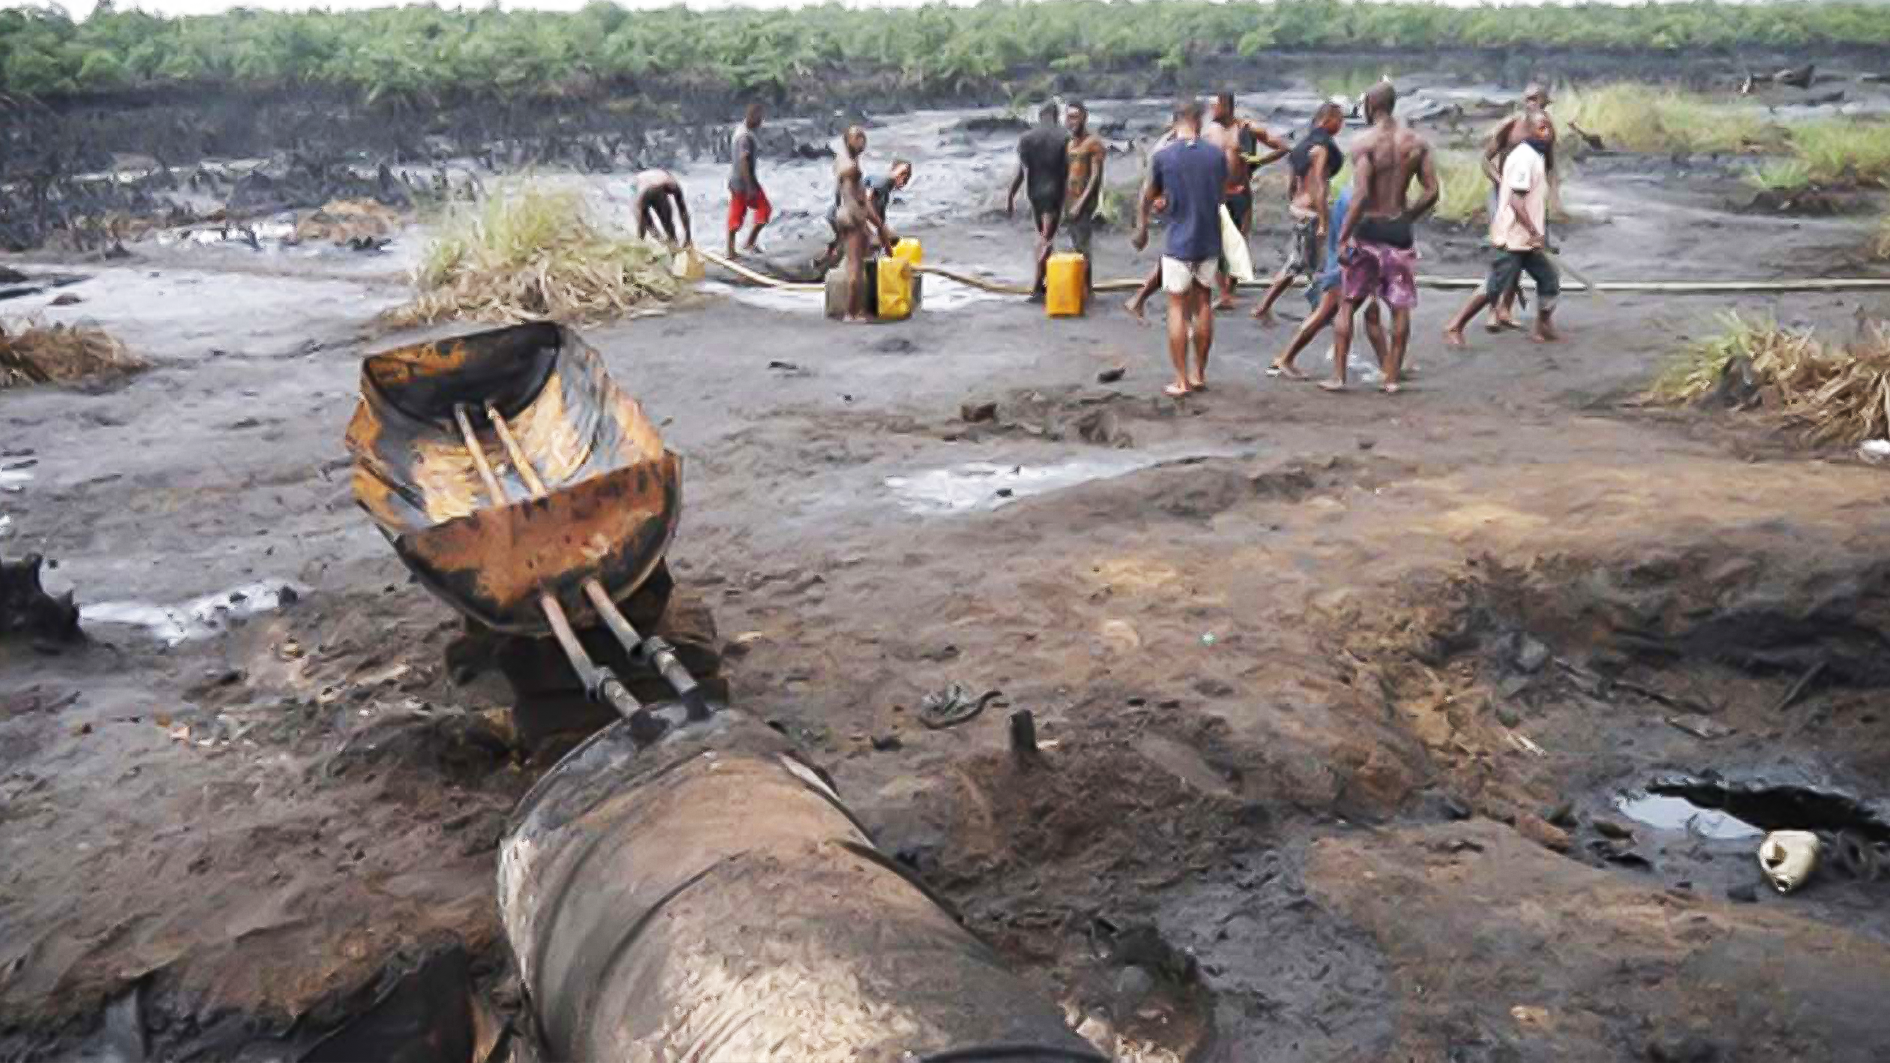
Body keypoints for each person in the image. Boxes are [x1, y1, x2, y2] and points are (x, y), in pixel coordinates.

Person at [1330, 81, 1438, 394]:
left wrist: (1344, 234)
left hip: (1369, 227)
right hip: (1398, 228)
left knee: (1348, 303)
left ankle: (1338, 377)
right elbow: (1432, 191)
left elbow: (1362, 193)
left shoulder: (1364, 142)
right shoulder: (1416, 142)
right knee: (1399, 306)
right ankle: (1391, 379)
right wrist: (1407, 217)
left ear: (1371, 106)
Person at [1445, 109, 1560, 347]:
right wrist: (1535, 232)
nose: (1547, 132)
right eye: (1541, 128)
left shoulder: (1535, 156)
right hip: (1513, 237)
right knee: (1495, 285)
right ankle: (1455, 325)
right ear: (1528, 130)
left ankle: (1543, 327)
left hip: (1525, 239)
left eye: (1548, 127)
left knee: (1549, 279)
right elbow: (1516, 201)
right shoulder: (1523, 158)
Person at [1140, 98, 1226, 397]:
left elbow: (1151, 196)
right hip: (1209, 239)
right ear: (1198, 121)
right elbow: (1218, 195)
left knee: (1176, 307)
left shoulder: (1164, 157)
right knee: (1203, 302)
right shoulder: (1216, 156)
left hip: (1179, 240)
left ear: (1175, 121)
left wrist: (1146, 222)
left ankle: (1180, 379)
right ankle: (1199, 373)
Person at [1267, 186, 1390, 380]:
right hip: (1348, 265)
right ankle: (1287, 358)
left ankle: (1388, 367)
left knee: (1363, 312)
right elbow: (1354, 235)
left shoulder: (1354, 192)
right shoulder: (1358, 197)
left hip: (1348, 262)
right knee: (1329, 313)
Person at [1252, 101, 1346, 326]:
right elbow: (1320, 186)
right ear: (1327, 119)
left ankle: (1266, 306)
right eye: (1339, 119)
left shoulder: (1302, 147)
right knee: (1314, 266)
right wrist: (1323, 220)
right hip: (1312, 212)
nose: (1341, 125)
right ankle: (1319, 313)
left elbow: (1291, 183)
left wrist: (1294, 204)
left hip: (1301, 209)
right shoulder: (1321, 148)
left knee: (1301, 263)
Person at [1480, 84, 1557, 330]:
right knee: (1505, 251)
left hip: (1527, 196)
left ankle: (1506, 308)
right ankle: (1491, 311)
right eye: (1527, 99)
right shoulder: (1511, 125)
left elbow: (1549, 165)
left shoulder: (1545, 129)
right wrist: (1501, 183)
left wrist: (1547, 199)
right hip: (1503, 194)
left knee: (1524, 251)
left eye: (1535, 99)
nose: (1530, 103)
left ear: (1545, 102)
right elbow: (1486, 159)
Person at [1205, 92, 1290, 310]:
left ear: (1226, 106)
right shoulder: (1209, 132)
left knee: (1237, 244)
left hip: (1240, 194)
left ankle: (1229, 291)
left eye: (1214, 105)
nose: (1210, 109)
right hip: (1215, 194)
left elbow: (1282, 147)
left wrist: (1258, 160)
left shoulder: (1247, 128)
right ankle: (1223, 293)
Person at [832, 126, 898, 324]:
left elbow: (861, 198)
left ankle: (856, 310)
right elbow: (847, 179)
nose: (862, 141)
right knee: (855, 269)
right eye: (857, 137)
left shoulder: (850, 163)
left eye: (863, 137)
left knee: (861, 262)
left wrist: (878, 224)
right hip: (852, 219)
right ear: (847, 141)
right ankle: (852, 313)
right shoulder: (848, 165)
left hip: (851, 217)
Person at [1006, 102, 1070, 301]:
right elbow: (1070, 172)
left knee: (1042, 234)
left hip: (1034, 192)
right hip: (1055, 191)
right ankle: (1037, 284)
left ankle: (1042, 281)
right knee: (1046, 237)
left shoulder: (1027, 138)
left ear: (1040, 116)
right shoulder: (1064, 137)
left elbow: (1021, 171)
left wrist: (1010, 196)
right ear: (1056, 115)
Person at [820, 158, 912, 269]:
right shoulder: (883, 181)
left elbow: (881, 228)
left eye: (907, 176)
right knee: (869, 244)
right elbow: (865, 201)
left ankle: (828, 264)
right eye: (903, 174)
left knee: (879, 240)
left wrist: (891, 257)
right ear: (892, 170)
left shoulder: (884, 196)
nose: (904, 179)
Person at [1063, 101, 1106, 278]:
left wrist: (1080, 204)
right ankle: (1078, 287)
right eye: (1068, 117)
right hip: (1069, 200)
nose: (1070, 121)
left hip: (1084, 202)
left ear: (1084, 118)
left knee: (1083, 247)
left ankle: (1086, 290)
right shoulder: (1069, 144)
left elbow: (1095, 177)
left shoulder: (1093, 143)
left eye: (1074, 117)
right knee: (1075, 246)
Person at [726, 102, 769, 258]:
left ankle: (748, 243)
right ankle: (731, 250)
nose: (761, 121)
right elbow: (743, 161)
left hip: (743, 180)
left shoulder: (742, 131)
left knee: (761, 210)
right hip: (742, 182)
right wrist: (750, 186)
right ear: (752, 116)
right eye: (759, 118)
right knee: (738, 214)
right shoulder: (744, 136)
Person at [632, 169, 691, 249]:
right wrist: (688, 237)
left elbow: (683, 210)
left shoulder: (669, 182)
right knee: (655, 226)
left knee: (665, 225)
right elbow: (683, 209)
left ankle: (670, 244)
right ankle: (669, 244)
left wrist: (688, 238)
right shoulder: (667, 182)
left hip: (650, 190)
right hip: (644, 192)